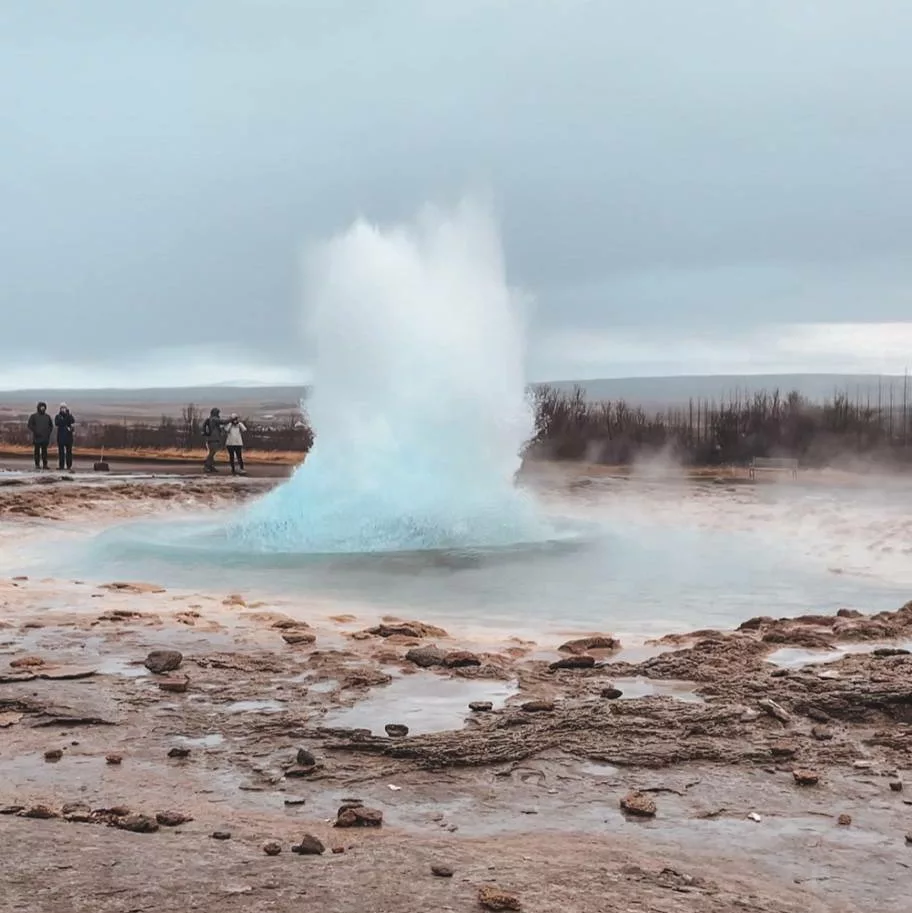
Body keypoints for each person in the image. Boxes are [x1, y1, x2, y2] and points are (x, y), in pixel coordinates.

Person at [27, 402, 53, 470]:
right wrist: (36, 431)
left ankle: (45, 465)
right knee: (37, 452)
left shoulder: (47, 417)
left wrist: (48, 433)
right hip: (37, 437)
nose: (42, 408)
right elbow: (30, 425)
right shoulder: (34, 416)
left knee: (44, 452)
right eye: (41, 407)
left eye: (44, 407)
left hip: (45, 437)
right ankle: (37, 465)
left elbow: (51, 426)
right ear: (38, 407)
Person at [202, 407, 225, 473]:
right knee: (212, 453)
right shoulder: (214, 419)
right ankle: (206, 466)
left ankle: (210, 466)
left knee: (212, 453)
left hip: (212, 438)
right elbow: (223, 422)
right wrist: (231, 419)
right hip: (213, 439)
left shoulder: (211, 419)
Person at [54, 402, 76, 471]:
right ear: (60, 409)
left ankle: (69, 465)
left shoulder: (69, 416)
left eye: (64, 408)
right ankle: (61, 466)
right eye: (62, 408)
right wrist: (65, 419)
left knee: (69, 452)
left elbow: (72, 421)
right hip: (61, 437)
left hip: (68, 437)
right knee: (61, 453)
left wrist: (68, 415)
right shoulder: (58, 416)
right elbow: (58, 423)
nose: (63, 409)